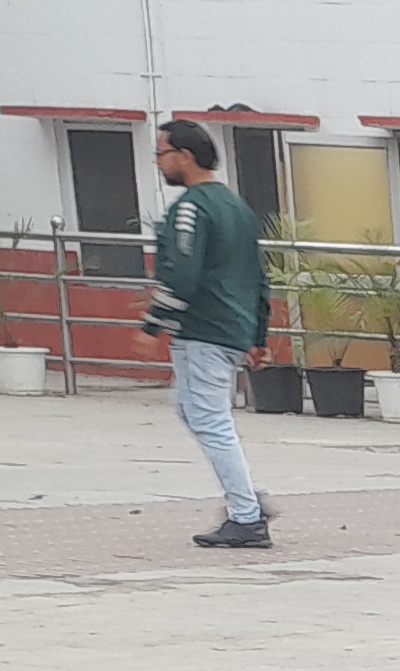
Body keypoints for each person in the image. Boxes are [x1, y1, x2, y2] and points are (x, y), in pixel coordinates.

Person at [144, 120, 272, 550]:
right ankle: (247, 500)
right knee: (191, 410)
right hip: (229, 327)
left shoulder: (192, 208)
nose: (159, 162)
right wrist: (259, 335)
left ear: (185, 155)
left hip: (204, 329)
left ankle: (247, 515)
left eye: (162, 153)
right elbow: (258, 276)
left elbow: (181, 269)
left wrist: (154, 321)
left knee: (211, 420)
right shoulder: (237, 207)